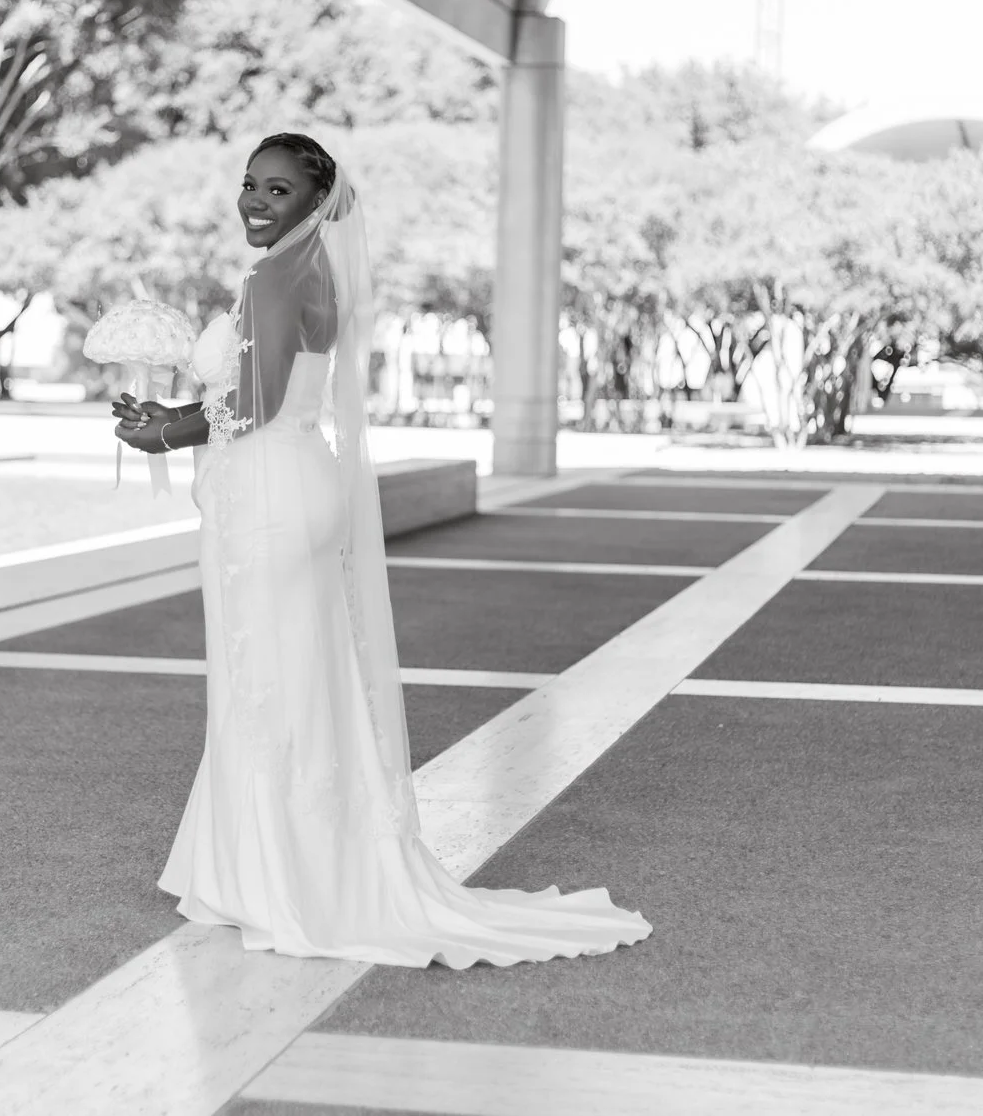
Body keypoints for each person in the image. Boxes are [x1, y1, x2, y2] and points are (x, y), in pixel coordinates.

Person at [111, 132, 651, 968]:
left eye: (278, 189)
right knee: (302, 679)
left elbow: (248, 404)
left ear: (316, 198)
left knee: (267, 686)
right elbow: (267, 388)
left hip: (267, 499)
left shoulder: (273, 278)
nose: (255, 199)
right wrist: (184, 413)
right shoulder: (320, 270)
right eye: (250, 183)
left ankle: (283, 878)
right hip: (300, 484)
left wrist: (164, 432)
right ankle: (294, 862)